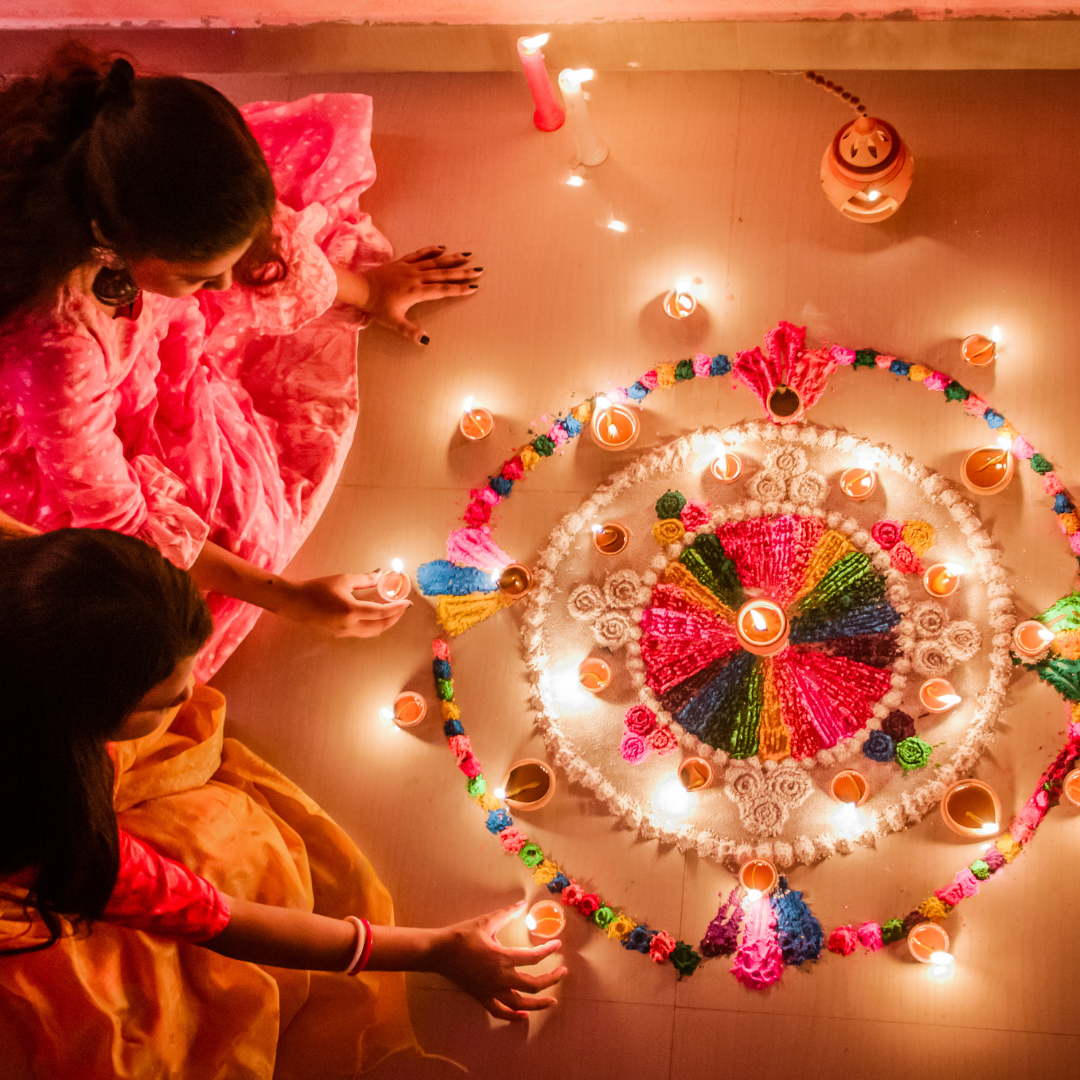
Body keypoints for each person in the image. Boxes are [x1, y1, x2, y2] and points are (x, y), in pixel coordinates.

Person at [0, 529, 564, 1079]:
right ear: (73, 727)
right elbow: (219, 918)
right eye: (168, 696)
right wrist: (434, 949)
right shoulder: (52, 835)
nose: (195, 690)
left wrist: (290, 596)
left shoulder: (24, 588)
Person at [0, 45, 484, 680]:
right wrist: (292, 599)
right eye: (201, 277)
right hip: (57, 440)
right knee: (218, 551)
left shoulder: (148, 164)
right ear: (109, 242)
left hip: (139, 358)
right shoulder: (58, 349)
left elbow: (270, 247)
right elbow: (123, 523)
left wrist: (373, 290)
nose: (229, 289)